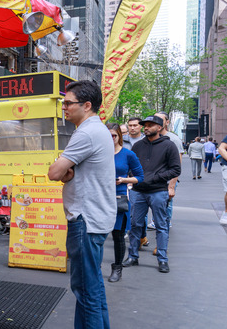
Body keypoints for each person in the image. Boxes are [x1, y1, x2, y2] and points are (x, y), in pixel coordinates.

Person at [47, 81, 114, 328]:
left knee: (85, 289)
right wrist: (67, 169)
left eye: (67, 103)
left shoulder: (86, 133)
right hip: (95, 217)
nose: (63, 107)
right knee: (92, 287)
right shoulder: (97, 130)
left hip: (86, 219)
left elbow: (55, 172)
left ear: (86, 106)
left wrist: (64, 168)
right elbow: (65, 171)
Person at [124, 115, 181, 273]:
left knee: (161, 226)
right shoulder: (138, 146)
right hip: (138, 191)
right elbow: (131, 165)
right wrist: (132, 178)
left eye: (150, 125)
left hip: (158, 191)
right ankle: (133, 256)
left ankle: (162, 259)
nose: (146, 127)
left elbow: (176, 169)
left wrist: (156, 178)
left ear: (159, 127)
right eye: (145, 125)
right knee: (135, 225)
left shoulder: (169, 146)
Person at [105, 123, 143, 283]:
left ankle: (117, 268)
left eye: (113, 135)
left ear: (119, 135)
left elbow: (140, 176)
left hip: (119, 198)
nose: (110, 138)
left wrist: (124, 180)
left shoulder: (128, 154)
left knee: (118, 236)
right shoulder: (100, 153)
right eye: (107, 135)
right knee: (96, 235)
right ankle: (94, 268)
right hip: (100, 198)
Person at [154, 111, 183, 231]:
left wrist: (172, 185)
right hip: (155, 177)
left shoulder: (173, 139)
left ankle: (166, 223)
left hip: (168, 178)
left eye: (160, 119)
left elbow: (177, 165)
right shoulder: (151, 137)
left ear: (167, 122)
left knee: (167, 202)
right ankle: (157, 222)